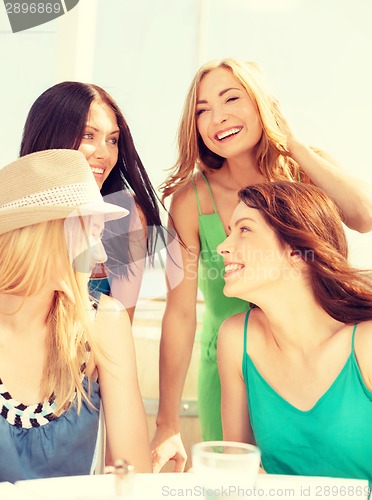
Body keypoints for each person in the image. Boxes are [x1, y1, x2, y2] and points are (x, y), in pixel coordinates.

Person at [151, 58, 372, 472]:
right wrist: (166, 422)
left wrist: (295, 145)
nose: (218, 118)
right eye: (202, 110)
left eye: (232, 98)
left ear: (261, 104)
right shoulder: (189, 202)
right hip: (232, 364)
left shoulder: (307, 171)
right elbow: (180, 314)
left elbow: (364, 215)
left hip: (322, 364)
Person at [0, 149, 152, 482]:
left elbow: (134, 474)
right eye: (91, 234)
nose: (99, 253)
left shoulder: (103, 322)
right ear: (42, 234)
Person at [217, 181, 372, 483]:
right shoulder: (237, 339)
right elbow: (237, 471)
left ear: (297, 254)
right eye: (228, 231)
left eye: (244, 230)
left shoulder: (366, 345)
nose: (223, 246)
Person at [20, 82, 166, 322]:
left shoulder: (126, 214)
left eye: (112, 140)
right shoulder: (12, 215)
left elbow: (121, 325)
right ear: (51, 136)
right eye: (89, 135)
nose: (105, 154)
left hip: (89, 356)